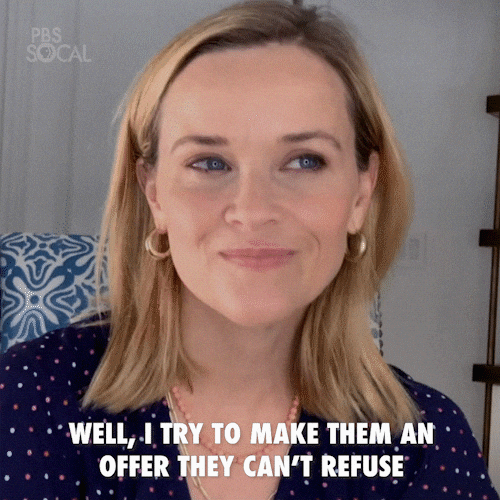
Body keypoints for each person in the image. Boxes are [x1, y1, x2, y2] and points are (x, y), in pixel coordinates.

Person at [1, 1, 498, 499]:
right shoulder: (29, 400)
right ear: (154, 194)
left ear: (361, 194)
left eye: (305, 161)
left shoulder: (425, 445)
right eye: (209, 162)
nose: (254, 210)